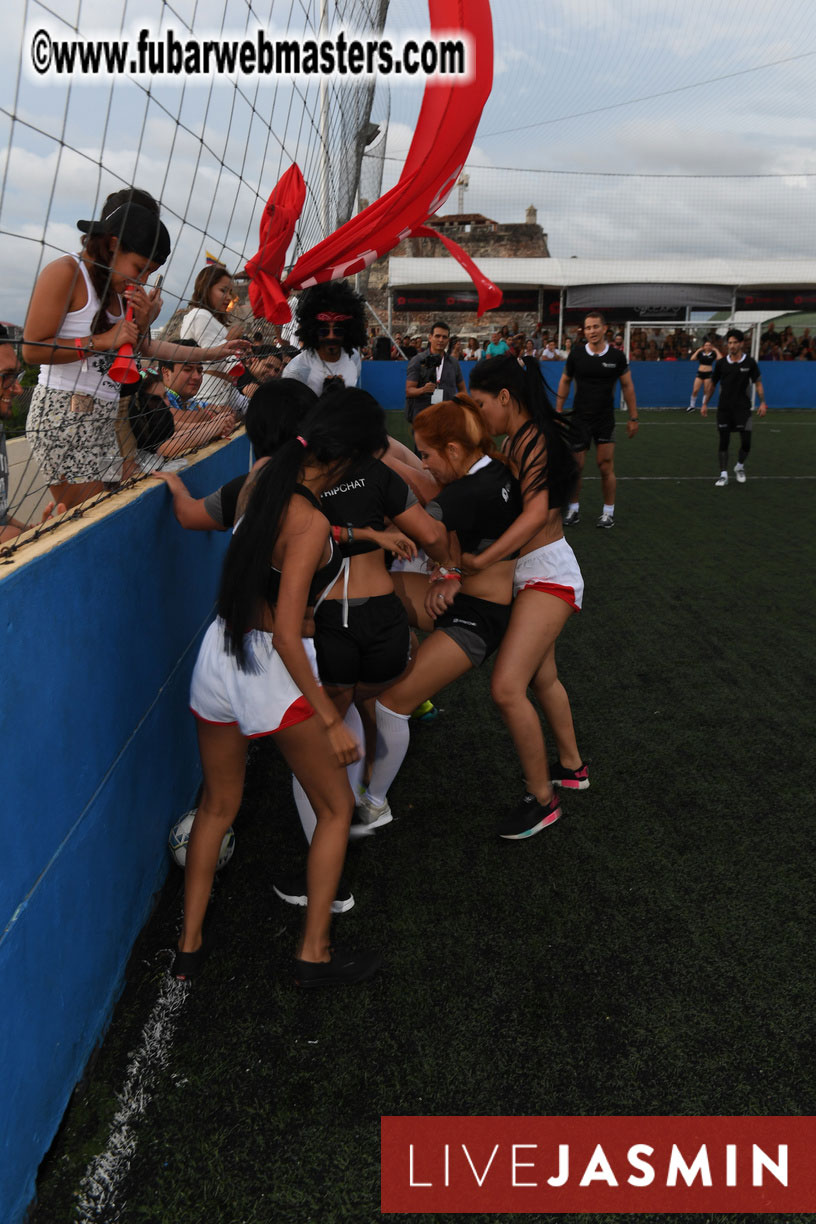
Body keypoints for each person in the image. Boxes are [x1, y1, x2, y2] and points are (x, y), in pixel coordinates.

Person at [176, 398, 384, 987]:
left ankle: (188, 949)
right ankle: (313, 954)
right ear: (342, 459)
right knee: (337, 808)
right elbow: (290, 638)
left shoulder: (261, 481)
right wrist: (328, 719)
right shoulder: (309, 520)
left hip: (217, 656)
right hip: (270, 670)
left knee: (217, 805)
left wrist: (360, 532)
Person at [357, 396, 522, 833]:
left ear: (452, 449)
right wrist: (449, 569)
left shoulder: (467, 492)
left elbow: (419, 529)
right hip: (466, 596)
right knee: (370, 590)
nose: (425, 465)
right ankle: (397, 661)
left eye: (427, 455)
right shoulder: (495, 467)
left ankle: (374, 803)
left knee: (392, 706)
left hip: (478, 619)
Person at [22, 191, 248, 508]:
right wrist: (103, 341)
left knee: (110, 513)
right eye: (139, 267)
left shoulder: (118, 289)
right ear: (113, 244)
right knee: (90, 520)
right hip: (63, 415)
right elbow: (31, 351)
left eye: (149, 274)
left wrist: (211, 352)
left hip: (104, 416)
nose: (142, 279)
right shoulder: (66, 272)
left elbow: (146, 348)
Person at [467, 355, 587, 838]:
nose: (479, 416)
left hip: (547, 573)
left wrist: (480, 560)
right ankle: (573, 768)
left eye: (481, 405)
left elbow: (535, 514)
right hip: (534, 571)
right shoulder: (520, 438)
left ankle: (543, 799)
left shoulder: (533, 436)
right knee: (543, 679)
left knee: (506, 687)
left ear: (504, 397)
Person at [555, 309, 639, 529]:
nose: (591, 331)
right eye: (588, 327)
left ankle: (608, 512)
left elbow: (628, 386)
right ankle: (573, 510)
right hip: (580, 417)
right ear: (584, 331)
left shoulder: (616, 357)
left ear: (604, 329)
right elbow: (565, 380)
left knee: (605, 466)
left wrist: (633, 417)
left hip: (604, 419)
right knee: (576, 466)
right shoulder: (576, 355)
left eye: (595, 327)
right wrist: (558, 409)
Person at [701, 328, 768, 486]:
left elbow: (758, 383)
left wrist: (762, 402)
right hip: (724, 409)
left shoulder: (750, 362)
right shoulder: (721, 364)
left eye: (735, 343)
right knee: (724, 441)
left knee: (746, 442)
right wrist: (704, 403)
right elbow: (712, 385)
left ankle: (739, 466)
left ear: (741, 344)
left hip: (743, 409)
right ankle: (723, 474)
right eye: (729, 343)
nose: (731, 345)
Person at [178, 266, 247, 414]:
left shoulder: (209, 317)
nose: (229, 297)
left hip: (219, 391)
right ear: (206, 289)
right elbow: (211, 356)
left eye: (230, 292)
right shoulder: (201, 315)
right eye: (223, 291)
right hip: (208, 394)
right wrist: (230, 339)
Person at [282, 281, 365, 395]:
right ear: (313, 332)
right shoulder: (297, 371)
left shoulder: (353, 358)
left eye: (338, 331)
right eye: (324, 331)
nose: (331, 336)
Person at [404, 321, 465, 427]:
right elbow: (409, 391)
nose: (441, 340)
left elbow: (463, 390)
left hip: (447, 417)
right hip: (424, 416)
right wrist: (423, 390)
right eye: (437, 336)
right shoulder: (418, 360)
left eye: (444, 337)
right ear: (430, 337)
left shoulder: (453, 363)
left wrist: (460, 405)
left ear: (448, 340)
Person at [687, 337, 723, 411]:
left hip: (708, 373)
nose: (707, 346)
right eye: (706, 345)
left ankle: (704, 406)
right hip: (700, 373)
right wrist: (698, 350)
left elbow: (720, 358)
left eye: (709, 345)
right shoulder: (700, 353)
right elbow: (692, 358)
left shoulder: (713, 354)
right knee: (695, 390)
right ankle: (692, 406)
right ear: (703, 346)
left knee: (706, 390)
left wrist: (716, 350)